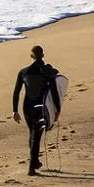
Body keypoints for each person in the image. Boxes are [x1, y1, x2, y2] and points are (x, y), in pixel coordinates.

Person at [11, 44, 61, 175]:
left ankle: (35, 162)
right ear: (42, 55)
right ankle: (32, 167)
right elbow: (55, 92)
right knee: (36, 135)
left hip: (27, 106)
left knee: (32, 133)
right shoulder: (47, 72)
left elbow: (16, 92)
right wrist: (57, 109)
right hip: (41, 106)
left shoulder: (23, 72)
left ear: (31, 56)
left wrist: (15, 111)